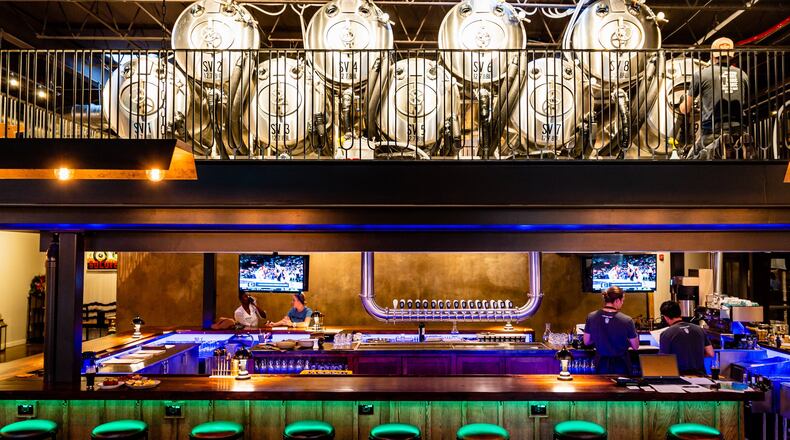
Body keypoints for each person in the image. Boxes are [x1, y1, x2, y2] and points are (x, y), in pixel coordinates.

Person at [680, 37, 750, 159]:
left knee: (691, 159)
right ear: (732, 54)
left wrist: (682, 102)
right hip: (739, 128)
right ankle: (738, 146)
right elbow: (745, 102)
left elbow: (685, 109)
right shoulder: (742, 75)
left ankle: (718, 147)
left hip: (712, 131)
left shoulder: (702, 74)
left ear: (713, 55)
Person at [583, 286, 640, 375]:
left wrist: (599, 337)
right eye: (622, 301)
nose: (622, 303)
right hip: (621, 364)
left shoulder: (592, 316)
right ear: (617, 300)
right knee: (622, 388)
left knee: (602, 388)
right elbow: (635, 346)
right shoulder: (627, 320)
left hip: (601, 363)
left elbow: (586, 341)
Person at [659, 300, 714, 375]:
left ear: (665, 317)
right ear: (679, 313)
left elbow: (663, 359)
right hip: (700, 376)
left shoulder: (666, 334)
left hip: (678, 378)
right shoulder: (699, 329)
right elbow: (710, 353)